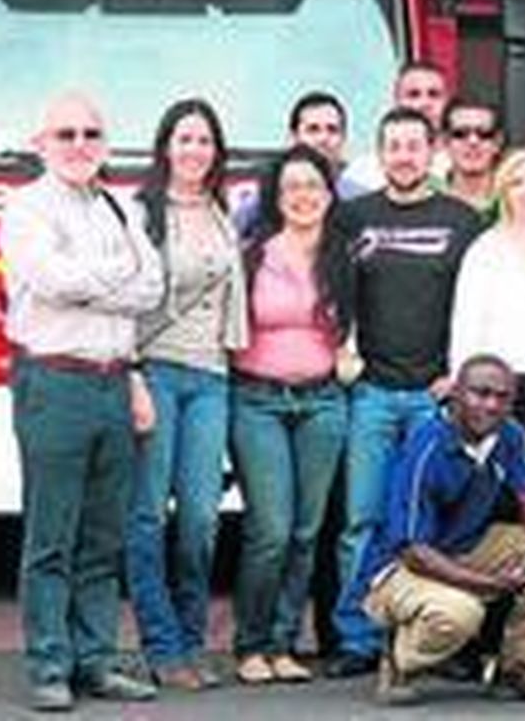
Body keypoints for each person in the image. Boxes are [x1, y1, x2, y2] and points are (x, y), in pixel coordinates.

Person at [0, 92, 164, 712]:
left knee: (103, 537)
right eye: (64, 133)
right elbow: (50, 280)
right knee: (51, 535)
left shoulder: (121, 207)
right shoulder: (24, 209)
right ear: (41, 142)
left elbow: (152, 287)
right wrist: (111, 280)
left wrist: (94, 282)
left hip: (112, 382)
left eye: (91, 132)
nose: (79, 144)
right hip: (55, 383)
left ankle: (94, 660)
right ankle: (48, 664)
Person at [328, 107, 486, 677]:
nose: (403, 155)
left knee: (435, 526)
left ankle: (437, 638)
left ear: (432, 151)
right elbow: (333, 291)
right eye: (393, 145)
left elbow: (478, 303)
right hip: (371, 393)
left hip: (433, 396)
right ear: (380, 152)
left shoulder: (463, 221)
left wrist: (458, 372)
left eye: (414, 145)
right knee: (362, 522)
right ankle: (359, 638)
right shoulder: (351, 218)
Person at [360, 355, 525, 706]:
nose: (491, 405)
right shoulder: (427, 444)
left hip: (461, 548)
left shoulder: (510, 435)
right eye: (480, 394)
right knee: (461, 614)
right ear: (455, 395)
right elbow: (413, 551)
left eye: (502, 397)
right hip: (398, 569)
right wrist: (492, 584)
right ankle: (398, 659)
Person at [125, 99, 249, 692]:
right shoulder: (139, 212)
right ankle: (162, 645)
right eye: (184, 139)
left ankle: (192, 640)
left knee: (200, 517)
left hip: (212, 376)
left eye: (204, 141)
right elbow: (122, 299)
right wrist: (128, 374)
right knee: (148, 515)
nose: (194, 150)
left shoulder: (226, 213)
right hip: (155, 371)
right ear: (165, 147)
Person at [231, 145, 355, 685]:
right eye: (292, 188)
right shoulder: (253, 254)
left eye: (313, 187)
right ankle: (251, 643)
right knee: (271, 530)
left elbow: (359, 323)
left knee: (307, 532)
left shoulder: (345, 257)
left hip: (324, 401)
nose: (304, 197)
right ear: (276, 199)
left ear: (330, 195)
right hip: (259, 401)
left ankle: (283, 644)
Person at [449, 148, 525, 520]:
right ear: (504, 192)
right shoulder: (485, 250)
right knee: (506, 499)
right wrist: (464, 392)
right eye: (517, 182)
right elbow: (466, 325)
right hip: (501, 392)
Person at [346, 62, 455, 193]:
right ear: (396, 100)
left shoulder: (462, 163)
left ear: (447, 102)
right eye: (413, 95)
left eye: (434, 94)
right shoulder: (362, 173)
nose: (424, 103)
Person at [287, 90, 371, 201]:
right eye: (313, 129)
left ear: (343, 138)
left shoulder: (361, 199)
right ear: (294, 138)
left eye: (332, 130)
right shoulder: (267, 195)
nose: (323, 139)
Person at [442, 96, 506, 215]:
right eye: (460, 133)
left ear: (498, 142)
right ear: (445, 142)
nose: (473, 141)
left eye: (484, 133)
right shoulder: (424, 199)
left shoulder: (516, 200)